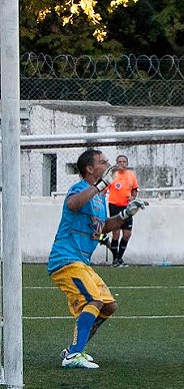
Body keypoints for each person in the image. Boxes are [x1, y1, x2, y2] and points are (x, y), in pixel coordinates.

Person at [49, 149, 148, 369]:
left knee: (109, 306)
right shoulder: (81, 189)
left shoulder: (100, 198)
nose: (108, 165)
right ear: (90, 168)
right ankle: (74, 354)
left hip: (81, 262)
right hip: (65, 259)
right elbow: (73, 204)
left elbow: (103, 226)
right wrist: (101, 186)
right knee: (93, 300)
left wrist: (125, 214)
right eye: (103, 162)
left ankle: (76, 348)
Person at [105, 154, 139, 267]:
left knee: (127, 234)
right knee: (116, 233)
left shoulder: (131, 176)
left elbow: (134, 189)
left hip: (127, 207)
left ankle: (119, 258)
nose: (122, 164)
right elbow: (104, 189)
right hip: (114, 206)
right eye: (120, 162)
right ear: (116, 163)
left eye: (124, 162)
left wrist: (133, 198)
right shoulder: (113, 176)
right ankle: (115, 260)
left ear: (127, 164)